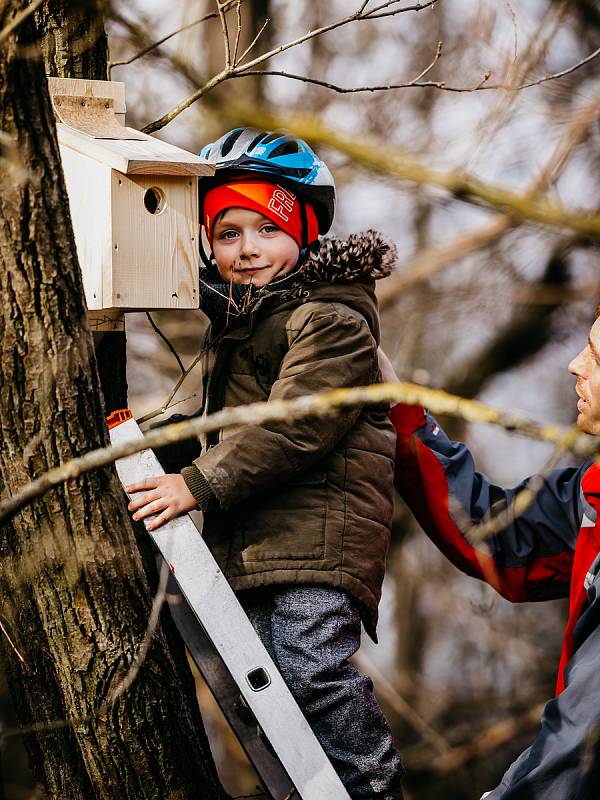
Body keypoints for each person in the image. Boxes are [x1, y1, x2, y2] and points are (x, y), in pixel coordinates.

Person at [126, 128, 405, 799]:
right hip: (256, 543)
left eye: (267, 229)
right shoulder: (249, 324)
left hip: (317, 541)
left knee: (312, 670)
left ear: (304, 234)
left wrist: (194, 485)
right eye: (227, 233)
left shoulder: (333, 318)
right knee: (265, 694)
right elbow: (229, 428)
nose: (247, 249)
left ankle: (373, 789)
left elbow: (292, 426)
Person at [382, 309, 600, 800]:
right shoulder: (591, 497)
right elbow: (495, 538)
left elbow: (588, 723)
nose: (574, 363)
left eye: (595, 355)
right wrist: (399, 409)